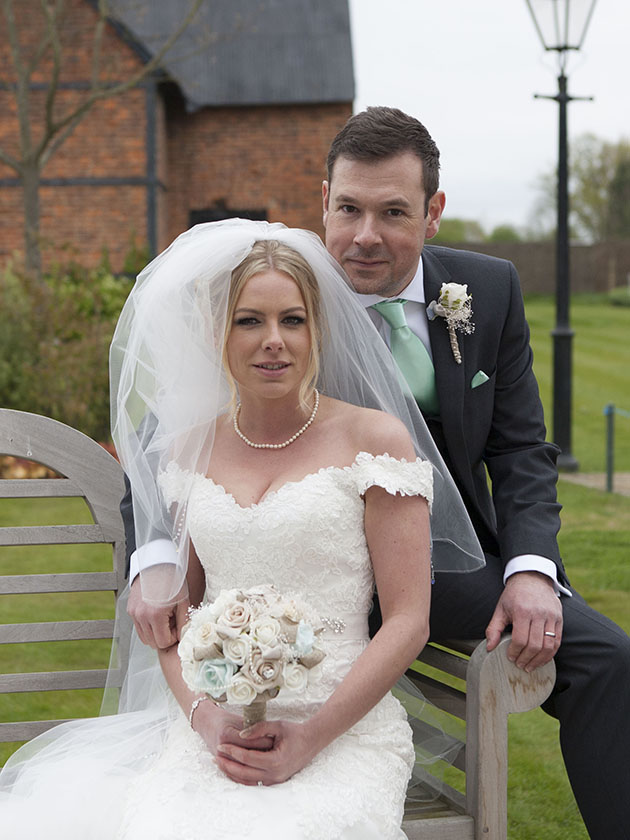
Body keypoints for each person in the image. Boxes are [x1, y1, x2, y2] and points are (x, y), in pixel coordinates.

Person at [0, 221, 484, 839]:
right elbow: (181, 614)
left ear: (318, 330)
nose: (273, 342)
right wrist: (203, 719)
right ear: (217, 334)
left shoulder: (374, 442)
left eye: (293, 320)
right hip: (215, 729)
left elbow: (409, 619)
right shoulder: (187, 451)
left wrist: (310, 736)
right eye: (248, 320)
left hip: (341, 729)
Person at [321, 106, 630, 840]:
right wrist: (158, 557)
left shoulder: (486, 291)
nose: (364, 235)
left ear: (433, 213)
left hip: (456, 570)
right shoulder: (276, 289)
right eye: (348, 208)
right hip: (319, 569)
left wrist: (529, 568)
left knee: (610, 662)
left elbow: (522, 450)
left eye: (392, 212)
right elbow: (161, 437)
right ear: (323, 200)